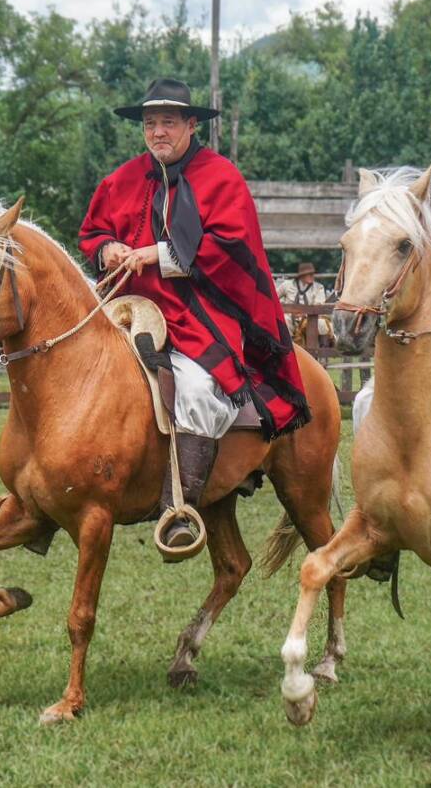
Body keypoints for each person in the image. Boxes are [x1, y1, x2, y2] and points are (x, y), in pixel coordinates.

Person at [79, 78, 311, 560]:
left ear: (190, 124)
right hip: (128, 312)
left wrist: (153, 254)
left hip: (203, 318)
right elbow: (93, 231)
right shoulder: (120, 180)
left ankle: (178, 509)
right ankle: (51, 489)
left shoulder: (221, 178)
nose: (157, 132)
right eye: (149, 124)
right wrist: (109, 249)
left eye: (167, 122)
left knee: (202, 391)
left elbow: (229, 249)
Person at [276, 262, 334, 345]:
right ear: (301, 276)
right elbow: (274, 297)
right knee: (284, 320)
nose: (311, 276)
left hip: (309, 318)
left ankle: (320, 350)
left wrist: (305, 313)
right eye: (309, 274)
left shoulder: (318, 287)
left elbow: (318, 305)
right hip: (290, 316)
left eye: (312, 274)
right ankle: (288, 348)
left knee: (320, 323)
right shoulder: (287, 285)